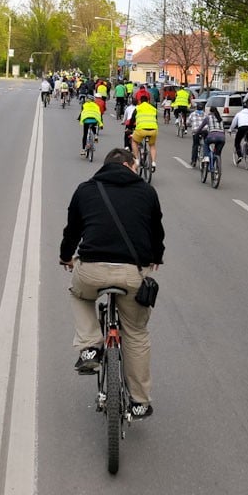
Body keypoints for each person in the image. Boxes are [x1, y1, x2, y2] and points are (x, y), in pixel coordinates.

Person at [59, 148, 165, 420]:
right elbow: (156, 232)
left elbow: (72, 231)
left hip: (91, 271)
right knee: (137, 333)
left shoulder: (86, 189)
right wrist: (155, 258)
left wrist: (66, 257)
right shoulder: (147, 192)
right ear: (130, 165)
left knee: (79, 295)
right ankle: (139, 402)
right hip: (132, 274)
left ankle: (91, 345)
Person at [131, 93, 160, 171]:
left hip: (141, 130)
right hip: (153, 129)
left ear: (139, 101)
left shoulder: (137, 108)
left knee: (134, 141)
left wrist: (130, 128)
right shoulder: (153, 108)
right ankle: (153, 162)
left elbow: (132, 120)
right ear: (148, 101)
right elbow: (155, 119)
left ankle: (137, 160)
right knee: (152, 145)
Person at [188, 102, 207, 166]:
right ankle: (207, 158)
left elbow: (188, 122)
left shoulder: (192, 114)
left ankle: (194, 161)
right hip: (204, 131)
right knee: (206, 144)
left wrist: (190, 125)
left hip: (196, 131)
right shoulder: (205, 114)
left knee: (195, 145)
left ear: (196, 108)